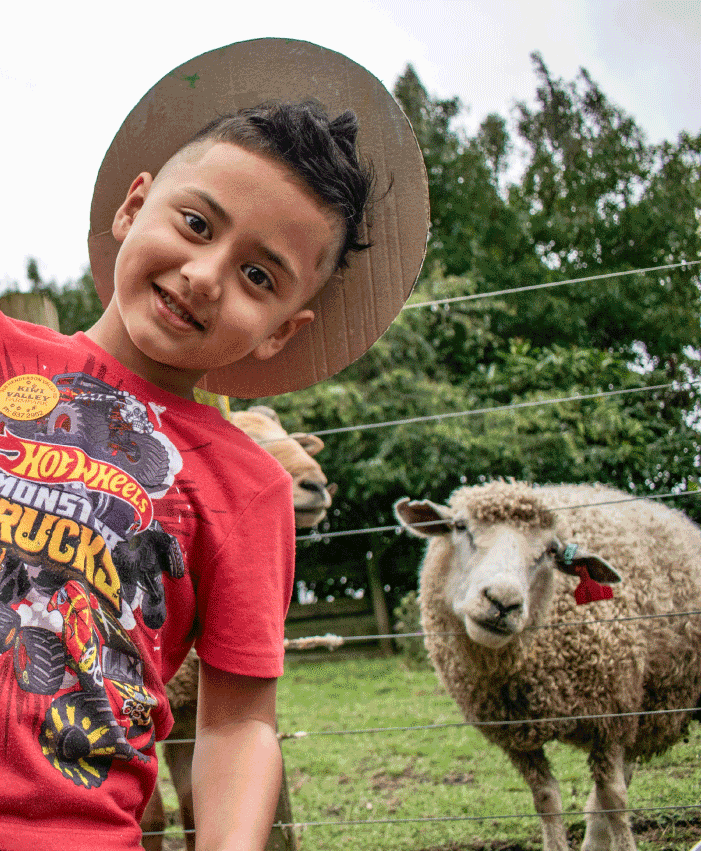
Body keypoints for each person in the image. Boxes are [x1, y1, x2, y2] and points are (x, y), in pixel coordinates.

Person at [0, 39, 428, 851]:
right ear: (134, 206)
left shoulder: (250, 487)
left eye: (259, 276)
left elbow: (237, 724)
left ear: (280, 332)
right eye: (196, 224)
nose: (204, 274)